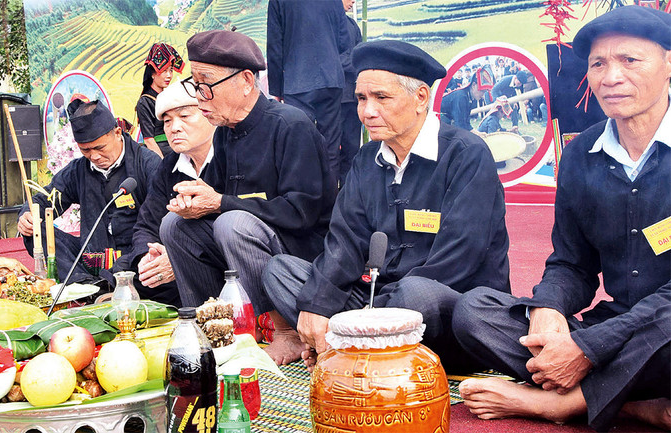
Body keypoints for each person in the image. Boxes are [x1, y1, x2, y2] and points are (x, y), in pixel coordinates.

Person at [453, 6, 671, 431]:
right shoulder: (579, 154)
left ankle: (560, 405)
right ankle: (637, 405)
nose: (611, 77)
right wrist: (549, 309)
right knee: (474, 312)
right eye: (598, 64)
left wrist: (589, 348)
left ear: (669, 64)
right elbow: (571, 262)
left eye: (630, 60)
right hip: (617, 327)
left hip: (663, 328)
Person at [262, 40, 511, 370]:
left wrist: (367, 316)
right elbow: (344, 243)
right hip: (376, 303)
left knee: (416, 293)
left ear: (420, 97)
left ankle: (348, 346)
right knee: (280, 271)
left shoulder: (466, 154)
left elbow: (458, 260)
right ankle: (357, 345)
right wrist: (318, 306)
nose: (367, 111)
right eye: (361, 98)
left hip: (448, 314)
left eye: (381, 97)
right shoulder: (367, 159)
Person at [161, 30, 336, 364]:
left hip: (299, 253)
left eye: (206, 84)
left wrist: (220, 203)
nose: (199, 97)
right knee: (174, 226)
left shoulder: (291, 125)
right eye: (195, 85)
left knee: (233, 224)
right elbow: (217, 196)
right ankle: (211, 328)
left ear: (244, 81)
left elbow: (301, 212)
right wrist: (192, 202)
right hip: (246, 243)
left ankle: (285, 333)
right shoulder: (226, 134)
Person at [18, 100, 160, 287]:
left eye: (100, 148)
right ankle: (85, 285)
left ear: (118, 133)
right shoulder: (78, 170)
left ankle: (101, 285)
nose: (94, 156)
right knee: (36, 231)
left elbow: (157, 222)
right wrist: (27, 215)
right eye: (85, 150)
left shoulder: (147, 163)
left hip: (134, 259)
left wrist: (134, 258)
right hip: (91, 259)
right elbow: (45, 198)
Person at [110, 82, 215, 305]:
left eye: (184, 116)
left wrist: (178, 259)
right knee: (129, 269)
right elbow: (147, 225)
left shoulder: (229, 156)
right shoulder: (169, 166)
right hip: (174, 259)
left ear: (209, 115)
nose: (174, 128)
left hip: (216, 258)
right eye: (167, 121)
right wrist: (147, 257)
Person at [267, 0, 350, 180]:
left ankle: (304, 194)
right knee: (331, 147)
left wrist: (277, 88)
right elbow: (344, 41)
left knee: (300, 146)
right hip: (331, 79)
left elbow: (275, 44)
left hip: (297, 81)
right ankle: (330, 196)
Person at [136, 42, 184, 158]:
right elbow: (149, 140)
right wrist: (162, 163)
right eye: (164, 71)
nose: (169, 75)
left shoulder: (169, 97)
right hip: (160, 152)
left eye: (171, 70)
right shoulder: (145, 102)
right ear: (153, 74)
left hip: (177, 149)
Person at [338, 0, 364, 186]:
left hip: (352, 97)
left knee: (352, 149)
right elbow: (332, 57)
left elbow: (359, 54)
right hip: (332, 98)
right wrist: (357, 65)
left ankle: (347, 193)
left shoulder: (352, 25)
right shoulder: (326, 24)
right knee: (330, 150)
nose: (353, 1)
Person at [440, 65, 494, 131]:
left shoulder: (470, 97)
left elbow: (466, 123)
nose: (483, 95)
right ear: (473, 85)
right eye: (482, 91)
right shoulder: (461, 96)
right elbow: (460, 126)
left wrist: (477, 133)